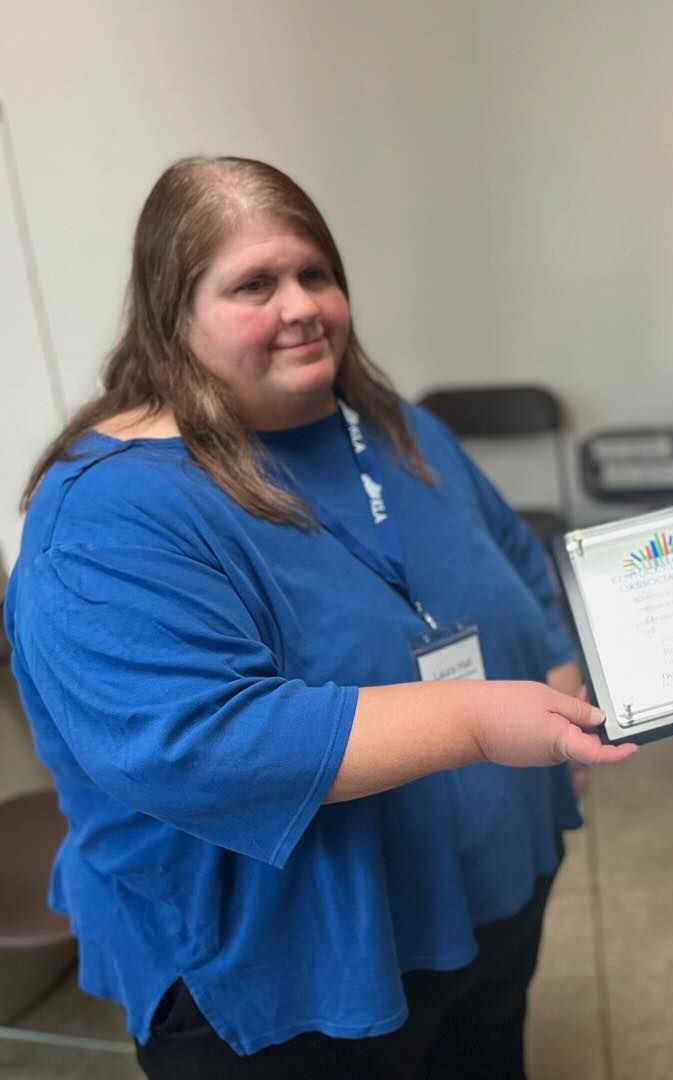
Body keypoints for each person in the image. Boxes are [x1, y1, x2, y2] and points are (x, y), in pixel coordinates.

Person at [3, 157, 635, 1079]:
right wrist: (476, 723)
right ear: (171, 312)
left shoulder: (395, 429)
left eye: (316, 274)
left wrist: (563, 684)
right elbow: (196, 742)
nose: (301, 305)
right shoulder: (106, 513)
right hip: (289, 966)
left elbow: (519, 568)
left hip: (487, 886)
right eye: (254, 285)